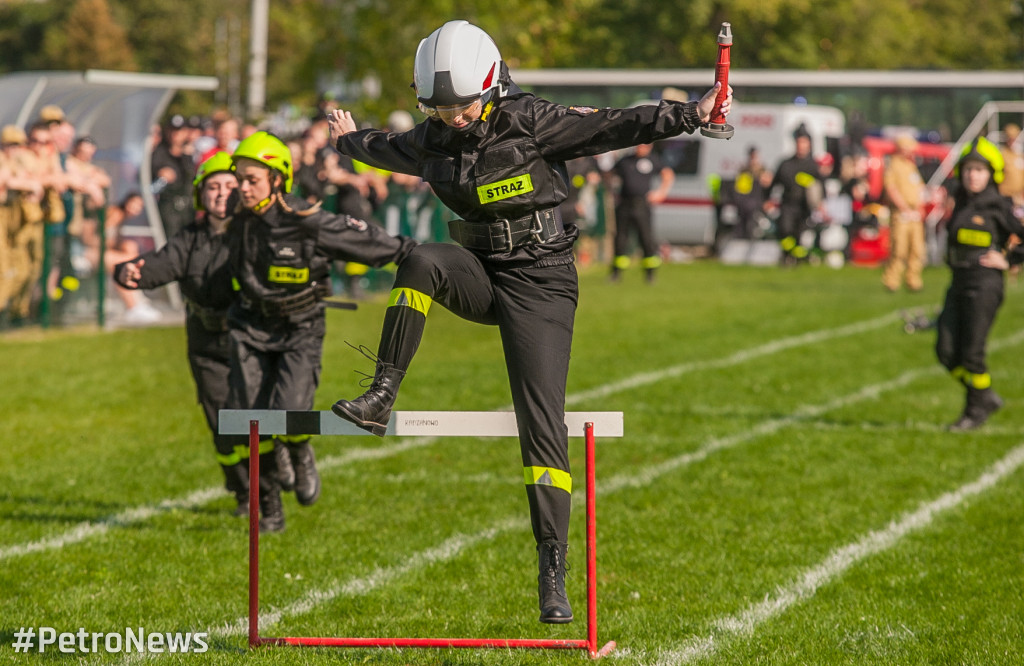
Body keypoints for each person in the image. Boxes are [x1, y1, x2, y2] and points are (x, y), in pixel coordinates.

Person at [326, 19, 731, 624]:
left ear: (490, 87)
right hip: (478, 271)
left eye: (461, 106)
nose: (451, 118)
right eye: (438, 107)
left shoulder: (532, 119)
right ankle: (381, 394)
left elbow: (612, 126)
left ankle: (552, 570)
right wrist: (346, 140)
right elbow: (386, 148)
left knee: (539, 423)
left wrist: (691, 114)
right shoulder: (432, 135)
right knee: (416, 260)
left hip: (541, 280)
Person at [224, 131, 416, 532]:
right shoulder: (236, 216)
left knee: (289, 411)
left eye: (251, 179)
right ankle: (270, 507)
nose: (241, 188)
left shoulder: (304, 220)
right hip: (249, 327)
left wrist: (413, 256)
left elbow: (365, 240)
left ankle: (299, 448)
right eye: (238, 179)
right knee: (254, 422)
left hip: (300, 327)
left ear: (278, 180)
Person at [113, 152, 249, 512]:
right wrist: (130, 272)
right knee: (221, 420)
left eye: (229, 187)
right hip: (205, 341)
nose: (221, 194)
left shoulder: (256, 231)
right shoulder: (189, 237)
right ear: (200, 194)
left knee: (256, 415)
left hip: (251, 339)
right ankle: (242, 491)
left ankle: (269, 483)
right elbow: (159, 265)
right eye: (213, 187)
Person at [935, 137, 1024, 431]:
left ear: (991, 174)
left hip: (985, 286)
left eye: (980, 170)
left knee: (972, 354)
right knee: (946, 352)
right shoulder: (959, 200)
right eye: (969, 169)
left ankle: (973, 411)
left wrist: (1010, 261)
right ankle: (984, 396)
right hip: (958, 282)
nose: (973, 175)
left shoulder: (997, 205)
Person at [608, 142, 672, 283]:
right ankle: (616, 273)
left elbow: (668, 175)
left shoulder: (653, 160)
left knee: (646, 239)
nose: (641, 147)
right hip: (624, 205)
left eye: (645, 145)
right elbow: (609, 174)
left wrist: (661, 193)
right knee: (621, 239)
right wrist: (611, 192)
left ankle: (650, 274)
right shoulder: (625, 160)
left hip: (642, 205)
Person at [767, 123, 821, 265]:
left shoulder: (813, 166)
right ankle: (787, 256)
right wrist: (767, 199)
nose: (801, 146)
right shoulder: (786, 164)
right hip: (788, 204)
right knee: (785, 230)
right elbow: (774, 183)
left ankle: (797, 259)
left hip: (804, 207)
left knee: (800, 234)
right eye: (799, 142)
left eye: (804, 142)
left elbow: (821, 187)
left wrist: (820, 203)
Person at [880, 134, 926, 292]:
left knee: (917, 249)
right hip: (901, 213)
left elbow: (919, 188)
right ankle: (891, 281)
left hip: (915, 213)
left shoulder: (911, 166)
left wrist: (919, 208)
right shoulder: (893, 165)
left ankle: (914, 280)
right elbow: (891, 189)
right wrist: (904, 208)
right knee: (899, 249)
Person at [150, 114, 196, 240]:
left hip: (187, 209)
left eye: (180, 130)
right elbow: (148, 185)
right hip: (167, 208)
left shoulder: (190, 154)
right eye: (173, 130)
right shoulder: (158, 154)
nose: (175, 134)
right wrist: (161, 178)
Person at [998, 123, 1024, 206]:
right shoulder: (1001, 155)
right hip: (1006, 197)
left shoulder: (1019, 155)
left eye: (1015, 138)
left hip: (1019, 198)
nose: (1013, 141)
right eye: (1010, 138)